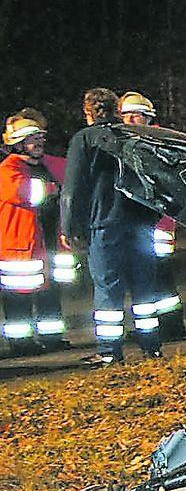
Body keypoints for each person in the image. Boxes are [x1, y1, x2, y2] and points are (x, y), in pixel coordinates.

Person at [62, 87, 166, 364]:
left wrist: (69, 227)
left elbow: (72, 189)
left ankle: (110, 352)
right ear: (116, 110)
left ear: (88, 113)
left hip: (104, 224)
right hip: (140, 223)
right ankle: (152, 346)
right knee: (144, 286)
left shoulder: (84, 140)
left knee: (108, 287)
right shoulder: (134, 136)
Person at [119, 91, 185, 340]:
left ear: (147, 118)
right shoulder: (140, 142)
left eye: (136, 115)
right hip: (147, 221)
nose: (130, 120)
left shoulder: (155, 144)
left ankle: (168, 328)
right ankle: (165, 327)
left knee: (159, 277)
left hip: (158, 223)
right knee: (152, 278)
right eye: (126, 115)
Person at [3, 112, 69, 350]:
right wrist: (54, 189)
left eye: (41, 137)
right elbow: (27, 193)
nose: (39, 142)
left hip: (45, 242)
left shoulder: (44, 166)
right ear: (18, 144)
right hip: (20, 248)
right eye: (33, 139)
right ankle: (21, 344)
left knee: (49, 292)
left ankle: (53, 339)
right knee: (18, 297)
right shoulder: (8, 169)